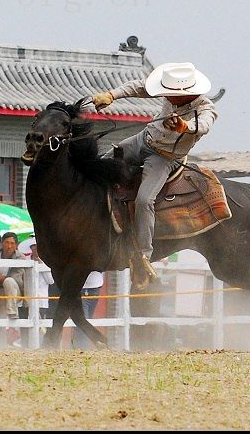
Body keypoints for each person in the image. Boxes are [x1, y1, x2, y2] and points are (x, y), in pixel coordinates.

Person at [92, 62, 218, 290]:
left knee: (144, 199)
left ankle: (143, 255)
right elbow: (140, 87)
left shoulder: (205, 108)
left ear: (187, 93)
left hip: (165, 158)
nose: (166, 97)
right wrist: (111, 95)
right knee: (100, 168)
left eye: (171, 94)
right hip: (143, 140)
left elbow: (204, 125)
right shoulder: (171, 95)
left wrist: (184, 126)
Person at [0, 232, 27, 347]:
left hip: (15, 290)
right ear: (2, 244)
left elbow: (16, 277)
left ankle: (12, 311)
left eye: (12, 243)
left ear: (16, 245)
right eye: (7, 242)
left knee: (9, 281)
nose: (9, 246)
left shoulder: (21, 257)